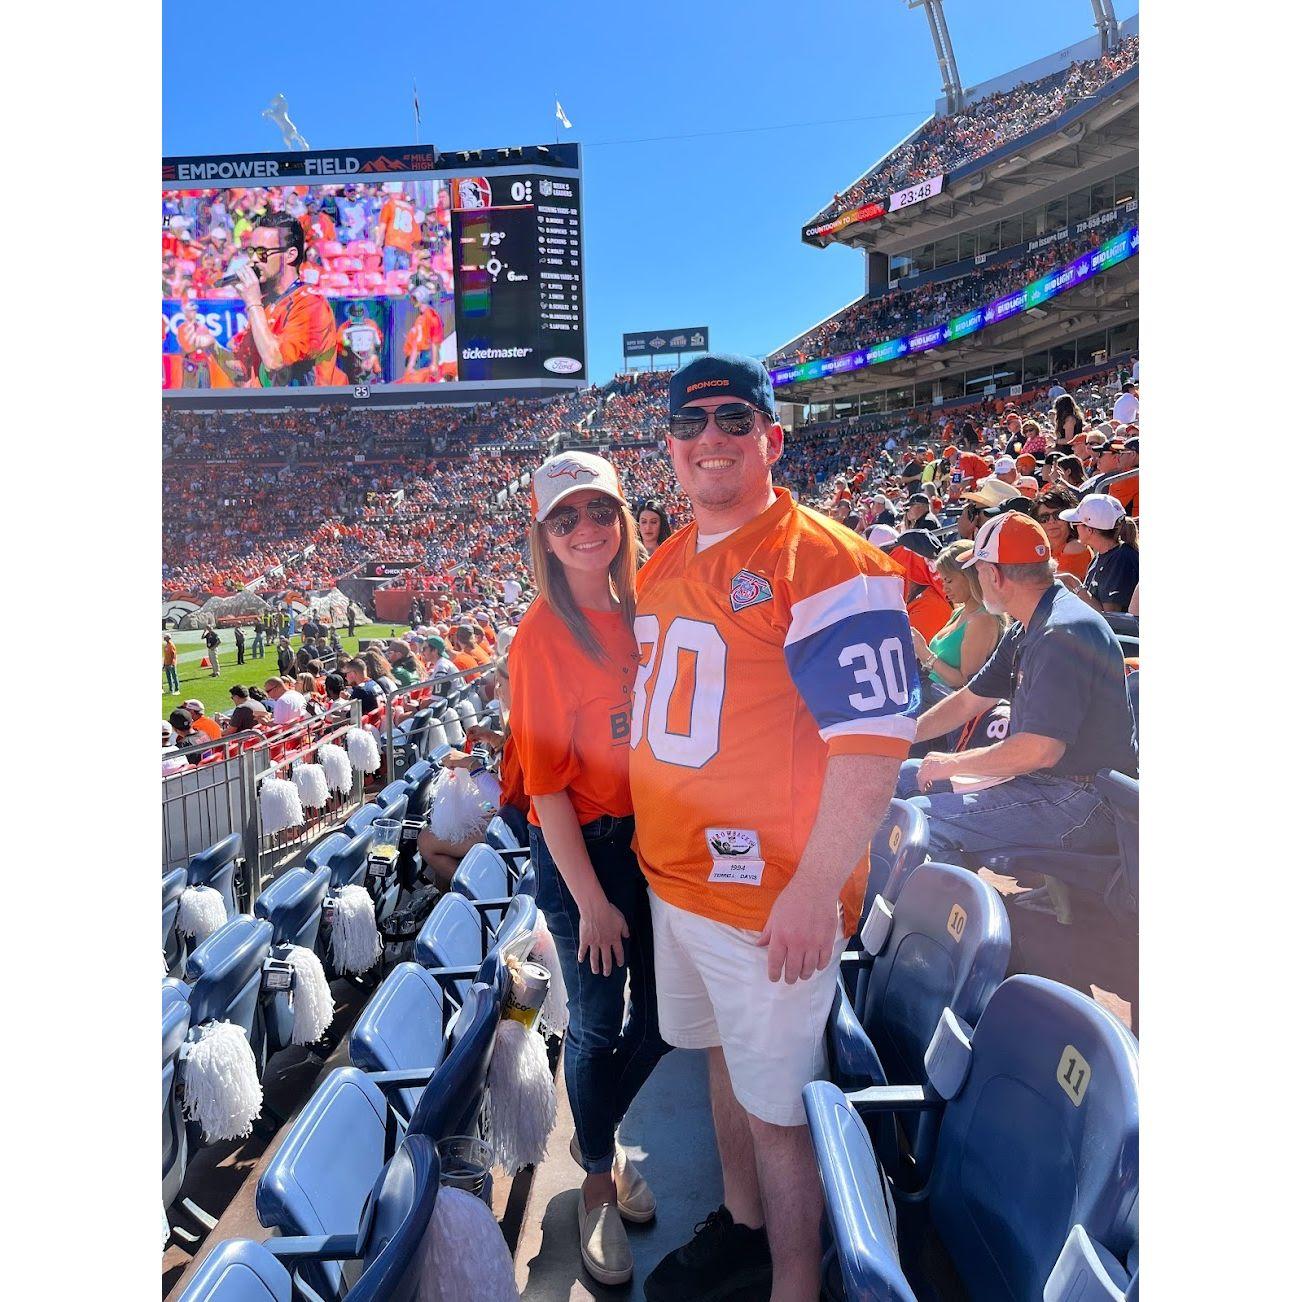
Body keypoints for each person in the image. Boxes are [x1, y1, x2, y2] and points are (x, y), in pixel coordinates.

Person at [632, 355, 916, 1302]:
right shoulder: (668, 559)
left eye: (732, 418)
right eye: (691, 422)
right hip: (678, 881)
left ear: (770, 437)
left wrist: (811, 885)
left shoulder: (829, 559)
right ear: (670, 446)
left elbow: (874, 745)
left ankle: (796, 1284)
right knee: (726, 1066)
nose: (710, 435)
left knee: (784, 1112)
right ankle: (744, 1227)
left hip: (767, 898)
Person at [509, 450, 669, 1288]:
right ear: (543, 533)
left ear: (624, 519)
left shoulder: (645, 610)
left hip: (654, 842)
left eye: (598, 511)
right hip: (587, 853)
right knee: (602, 1022)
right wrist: (593, 903)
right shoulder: (540, 637)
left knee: (670, 1018)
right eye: (564, 517)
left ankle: (597, 1134)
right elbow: (546, 791)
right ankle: (598, 1183)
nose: (585, 529)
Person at [897, 514, 1137, 921]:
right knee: (906, 774)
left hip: (1086, 799)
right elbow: (970, 699)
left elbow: (1039, 750)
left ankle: (945, 945)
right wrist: (902, 737)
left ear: (994, 574)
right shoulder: (1034, 619)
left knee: (924, 822)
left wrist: (951, 763)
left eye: (978, 571)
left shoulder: (1062, 632)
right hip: (1053, 782)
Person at [212, 211, 343, 388]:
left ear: (291, 255)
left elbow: (274, 360)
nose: (253, 260)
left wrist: (253, 303)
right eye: (251, 251)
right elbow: (241, 371)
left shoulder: (312, 305)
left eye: (262, 252)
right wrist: (212, 347)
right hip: (266, 412)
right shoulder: (265, 303)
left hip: (303, 412)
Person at [912, 540, 1002, 709]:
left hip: (945, 709)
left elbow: (965, 681)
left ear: (970, 576)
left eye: (949, 581)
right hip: (931, 697)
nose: (944, 588)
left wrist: (925, 653)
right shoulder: (960, 612)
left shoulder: (982, 620)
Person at [1058, 494, 1140, 613]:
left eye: (1075, 524)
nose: (1074, 529)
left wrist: (1074, 583)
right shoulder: (1103, 556)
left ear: (1089, 530)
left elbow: (1110, 616)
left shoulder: (1122, 559)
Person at [1034, 486, 1093, 582]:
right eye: (1044, 518)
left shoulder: (1075, 546)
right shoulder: (1042, 548)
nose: (1051, 521)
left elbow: (1062, 587)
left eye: (1057, 515)